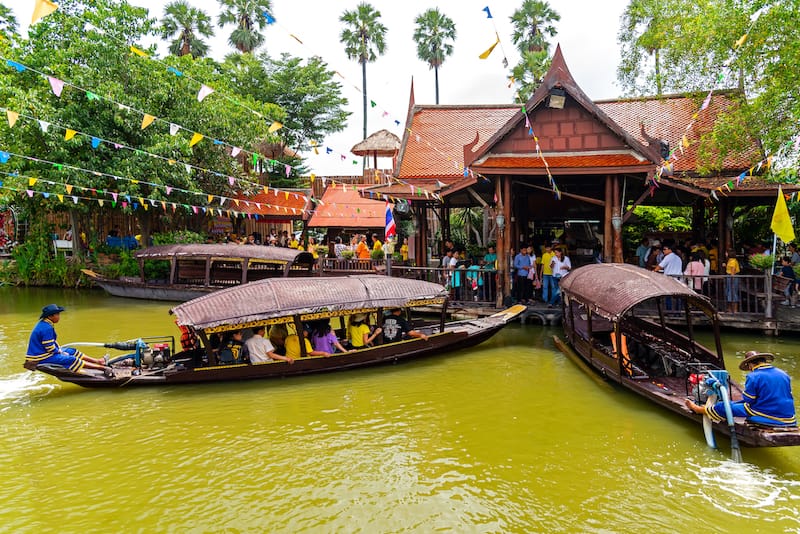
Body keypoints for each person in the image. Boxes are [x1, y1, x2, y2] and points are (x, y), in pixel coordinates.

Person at [685, 351, 796, 427]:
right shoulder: (783, 373)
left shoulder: (754, 376)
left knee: (724, 406)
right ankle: (709, 409)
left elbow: (749, 400)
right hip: (789, 416)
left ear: (750, 365)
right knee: (734, 404)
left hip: (766, 414)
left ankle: (698, 409)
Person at [26, 304, 110, 374]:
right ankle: (102, 368)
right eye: (57, 315)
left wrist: (60, 350)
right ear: (50, 316)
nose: (59, 317)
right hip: (42, 357)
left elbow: (52, 343)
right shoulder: (46, 328)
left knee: (72, 351)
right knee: (72, 359)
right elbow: (49, 347)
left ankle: (98, 361)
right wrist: (59, 352)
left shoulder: (45, 323)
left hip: (45, 353)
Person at [724, 248, 741, 313]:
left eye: (726, 252)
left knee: (733, 293)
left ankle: (735, 310)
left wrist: (731, 277)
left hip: (732, 278)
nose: (725, 254)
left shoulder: (733, 261)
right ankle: (730, 309)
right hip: (730, 277)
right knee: (729, 292)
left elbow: (733, 271)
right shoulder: (730, 260)